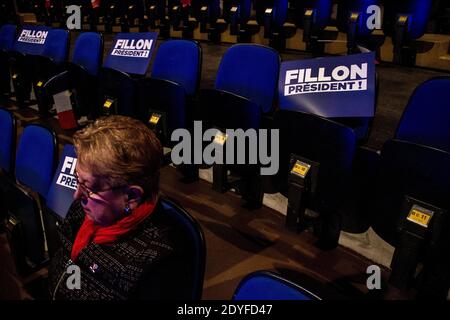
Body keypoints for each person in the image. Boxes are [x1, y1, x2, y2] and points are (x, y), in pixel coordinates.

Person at [48, 115, 186, 300]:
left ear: (130, 197)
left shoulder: (151, 262)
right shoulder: (85, 209)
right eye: (77, 180)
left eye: (88, 187)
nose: (77, 195)